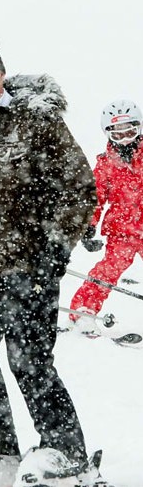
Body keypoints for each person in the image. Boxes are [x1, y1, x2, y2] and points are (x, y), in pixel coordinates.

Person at [0, 37, 102, 487]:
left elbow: (77, 187)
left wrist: (55, 247)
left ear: (1, 72)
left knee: (28, 358)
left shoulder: (37, 122)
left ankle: (66, 452)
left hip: (30, 266)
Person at [69, 99, 143, 335]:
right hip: (122, 231)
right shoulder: (106, 164)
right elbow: (95, 196)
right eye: (118, 135)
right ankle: (84, 310)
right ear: (107, 134)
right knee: (108, 269)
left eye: (130, 132)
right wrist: (88, 226)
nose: (125, 140)